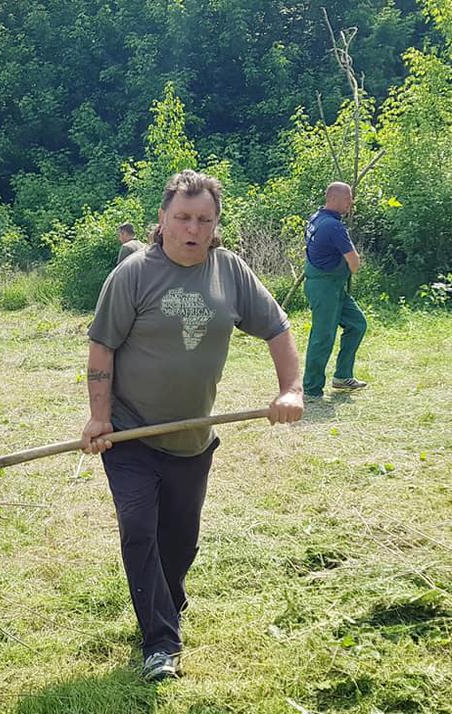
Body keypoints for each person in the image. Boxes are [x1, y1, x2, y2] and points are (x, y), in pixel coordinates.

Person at [81, 170, 303, 681]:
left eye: (204, 219)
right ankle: (160, 642)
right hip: (130, 433)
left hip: (193, 438)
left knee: (179, 541)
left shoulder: (230, 272)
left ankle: (168, 602)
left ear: (215, 224)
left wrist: (291, 388)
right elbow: (102, 346)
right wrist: (99, 415)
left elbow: (277, 327)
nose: (192, 228)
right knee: (140, 531)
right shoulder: (133, 274)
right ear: (162, 220)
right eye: (182, 217)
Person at [302, 182, 368, 398]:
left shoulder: (316, 218)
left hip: (331, 285)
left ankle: (342, 376)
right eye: (348, 198)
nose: (351, 202)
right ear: (334, 198)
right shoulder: (333, 226)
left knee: (357, 324)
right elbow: (354, 263)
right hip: (325, 287)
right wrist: (354, 260)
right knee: (323, 336)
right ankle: (312, 388)